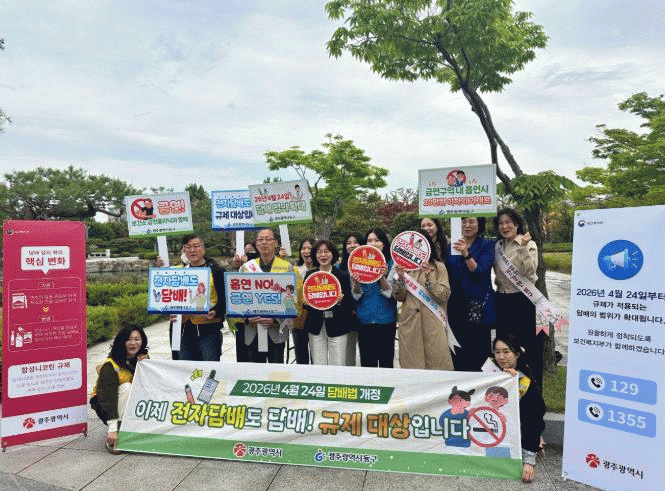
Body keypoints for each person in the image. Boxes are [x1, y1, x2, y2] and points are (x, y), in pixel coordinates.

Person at [156, 234, 226, 361]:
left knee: (208, 367)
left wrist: (216, 312)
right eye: (188, 247)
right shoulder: (179, 271)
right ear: (184, 250)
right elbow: (168, 297)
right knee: (184, 368)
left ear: (203, 249)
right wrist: (169, 312)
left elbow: (225, 300)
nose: (192, 250)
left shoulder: (216, 271)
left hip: (209, 329)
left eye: (196, 246)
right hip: (183, 329)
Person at [493, 207, 543, 387]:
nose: (505, 226)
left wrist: (522, 249)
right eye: (501, 223)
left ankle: (532, 392)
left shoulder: (528, 243)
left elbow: (530, 273)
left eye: (508, 222)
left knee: (528, 348)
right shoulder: (498, 246)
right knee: (505, 349)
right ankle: (508, 392)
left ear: (517, 224)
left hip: (523, 301)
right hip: (502, 300)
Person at [490, 332, 546, 483]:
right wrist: (501, 378)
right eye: (497, 352)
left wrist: (529, 461)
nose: (501, 357)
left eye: (506, 352)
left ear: (517, 354)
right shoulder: (488, 371)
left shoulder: (525, 382)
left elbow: (533, 421)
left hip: (517, 433)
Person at [240, 228, 302, 363]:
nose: (264, 242)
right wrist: (247, 318)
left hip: (276, 331)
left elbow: (293, 301)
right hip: (252, 329)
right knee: (255, 372)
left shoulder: (287, 267)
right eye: (260, 239)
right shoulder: (246, 268)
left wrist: (275, 320)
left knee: (276, 372)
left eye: (268, 239)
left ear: (276, 243)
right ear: (256, 244)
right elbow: (238, 298)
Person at [394, 230, 453, 370]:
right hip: (410, 324)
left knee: (437, 366)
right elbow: (399, 297)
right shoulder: (404, 267)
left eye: (420, 245)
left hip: (432, 323)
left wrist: (429, 279)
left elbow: (444, 295)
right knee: (412, 367)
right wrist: (401, 279)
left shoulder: (438, 267)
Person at [445, 217, 496, 371]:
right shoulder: (451, 246)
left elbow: (479, 272)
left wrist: (466, 253)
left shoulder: (487, 245)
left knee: (479, 351)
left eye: (472, 222)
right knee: (457, 350)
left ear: (479, 224)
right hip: (455, 306)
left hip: (477, 307)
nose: (467, 225)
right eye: (463, 222)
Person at [90, 326, 149, 454]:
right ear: (122, 342)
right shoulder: (110, 366)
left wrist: (146, 364)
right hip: (106, 404)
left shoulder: (141, 358)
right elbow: (107, 398)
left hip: (129, 401)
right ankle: (119, 428)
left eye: (137, 339)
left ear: (142, 341)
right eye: (129, 339)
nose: (133, 343)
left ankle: (133, 425)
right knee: (126, 387)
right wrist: (112, 429)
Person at [351, 228, 398, 368]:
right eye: (369, 240)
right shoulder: (358, 262)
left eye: (377, 240)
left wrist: (382, 277)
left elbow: (390, 294)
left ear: (384, 243)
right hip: (364, 319)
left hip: (386, 319)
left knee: (386, 361)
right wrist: (356, 283)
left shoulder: (392, 263)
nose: (373, 243)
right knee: (367, 362)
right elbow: (356, 295)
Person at [303, 240, 352, 365]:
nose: (323, 255)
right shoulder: (310, 275)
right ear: (315, 255)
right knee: (318, 363)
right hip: (316, 325)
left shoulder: (342, 275)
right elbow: (305, 302)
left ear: (333, 254)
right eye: (319, 252)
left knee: (338, 363)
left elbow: (350, 302)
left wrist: (341, 301)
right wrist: (306, 302)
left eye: (326, 251)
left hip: (338, 325)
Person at [339, 232, 365, 366]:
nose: (352, 245)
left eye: (355, 242)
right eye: (348, 243)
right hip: (347, 316)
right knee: (348, 355)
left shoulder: (370, 265)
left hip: (365, 314)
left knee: (367, 354)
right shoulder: (339, 267)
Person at [231, 241, 259, 362]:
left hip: (260, 318)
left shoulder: (258, 267)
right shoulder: (239, 268)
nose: (247, 253)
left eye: (251, 251)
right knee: (243, 354)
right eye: (245, 251)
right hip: (242, 319)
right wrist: (237, 266)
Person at [293, 238, 316, 364]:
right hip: (298, 318)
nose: (306, 251)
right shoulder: (294, 270)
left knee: (317, 354)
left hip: (316, 318)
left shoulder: (321, 271)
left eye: (310, 248)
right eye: (303, 248)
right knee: (300, 352)